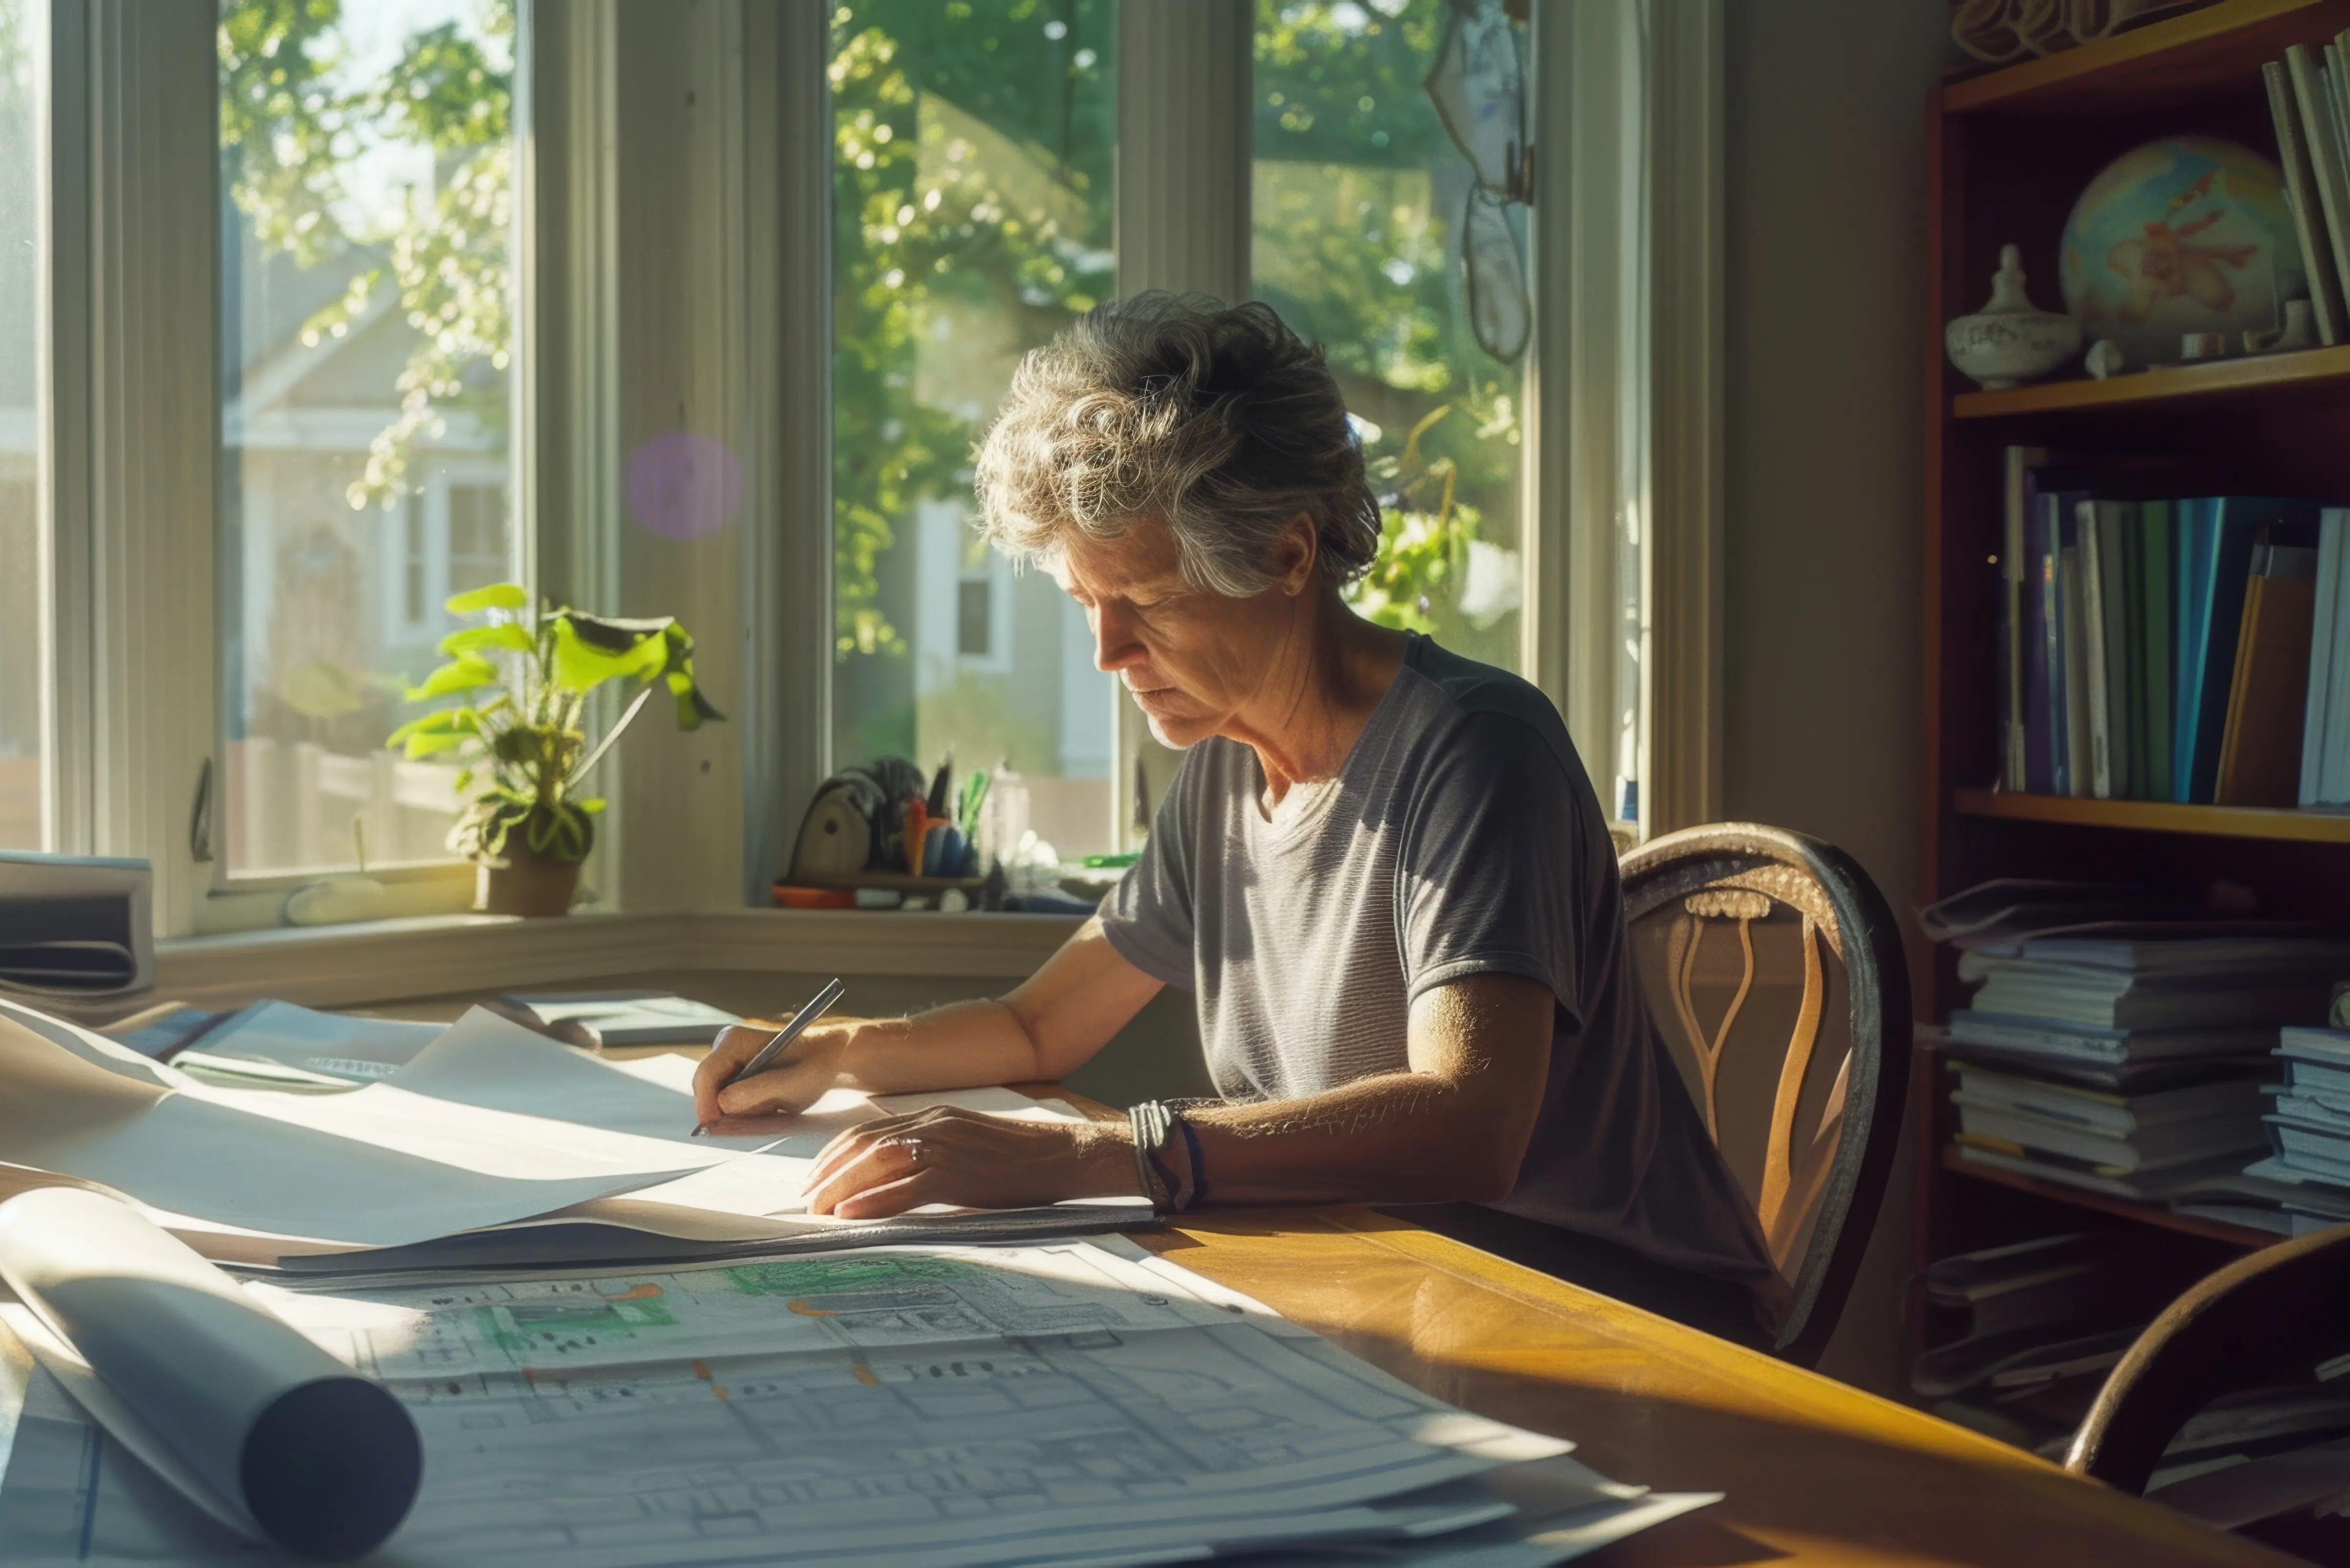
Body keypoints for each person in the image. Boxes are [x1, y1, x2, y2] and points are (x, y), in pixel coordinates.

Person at [693, 292, 1788, 1343]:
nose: (1108, 655)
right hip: (1379, 1272)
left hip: (1602, 1316)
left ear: (1288, 556)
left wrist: (1091, 1154)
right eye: (1088, 604)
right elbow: (1041, 1030)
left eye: (1152, 604)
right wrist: (834, 1051)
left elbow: (1471, 1126)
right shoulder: (1223, 771)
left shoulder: (1475, 748)